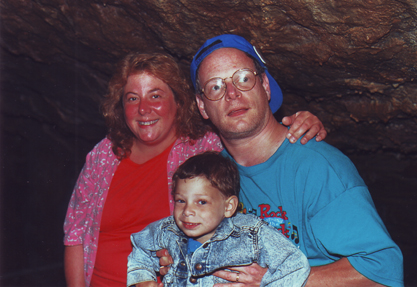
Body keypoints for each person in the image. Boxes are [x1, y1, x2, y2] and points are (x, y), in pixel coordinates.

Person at [63, 51, 326, 286]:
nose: (143, 109)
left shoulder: (207, 147)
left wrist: (300, 125)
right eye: (132, 98)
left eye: (156, 95)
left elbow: (253, 141)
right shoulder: (104, 154)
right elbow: (75, 233)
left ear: (179, 102)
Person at [159, 34, 404, 287]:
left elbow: (382, 270)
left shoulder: (316, 168)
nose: (232, 93)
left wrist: (276, 280)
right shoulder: (212, 178)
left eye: (243, 78)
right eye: (215, 87)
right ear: (202, 106)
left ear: (265, 85)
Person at [127, 151, 310, 287]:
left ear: (228, 206)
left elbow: (294, 264)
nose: (187, 211)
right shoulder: (167, 230)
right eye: (181, 200)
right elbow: (140, 248)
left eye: (201, 202)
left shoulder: (251, 234)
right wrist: (142, 279)